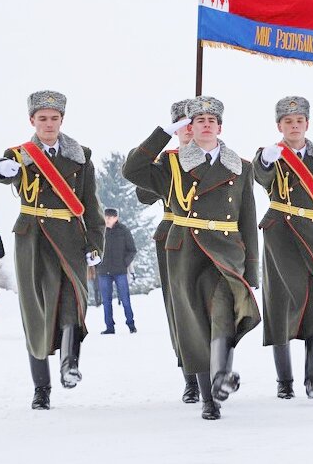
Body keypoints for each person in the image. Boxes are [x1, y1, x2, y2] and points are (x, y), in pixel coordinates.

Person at [123, 96, 260, 421]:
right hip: (185, 250)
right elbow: (133, 170)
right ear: (189, 128)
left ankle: (222, 376)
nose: (206, 124)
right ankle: (209, 400)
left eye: (212, 120)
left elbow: (247, 220)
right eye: (199, 121)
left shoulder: (241, 166)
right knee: (195, 324)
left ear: (220, 127)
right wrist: (162, 133)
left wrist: (252, 269)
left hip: (226, 251)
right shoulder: (172, 164)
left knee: (224, 313)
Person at [0, 90, 105, 411]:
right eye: (43, 119)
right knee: (37, 312)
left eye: (54, 118)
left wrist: (96, 243)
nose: (49, 124)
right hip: (34, 239)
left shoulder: (80, 156)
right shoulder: (20, 154)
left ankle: (70, 364)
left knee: (73, 301)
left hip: (70, 238)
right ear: (32, 121)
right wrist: (3, 169)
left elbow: (91, 206)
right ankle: (41, 389)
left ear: (62, 120)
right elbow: (1, 171)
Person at [253, 96, 313, 399]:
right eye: (288, 122)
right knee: (280, 303)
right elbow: (260, 176)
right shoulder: (270, 155)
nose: (294, 126)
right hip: (281, 233)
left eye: (299, 121)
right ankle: (285, 382)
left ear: (307, 123)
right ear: (279, 126)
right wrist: (266, 160)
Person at [135, 98, 201, 403]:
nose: (189, 130)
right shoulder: (166, 162)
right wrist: (162, 160)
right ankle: (190, 376)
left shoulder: (218, 158)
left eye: (194, 123)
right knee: (180, 310)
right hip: (174, 238)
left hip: (212, 239)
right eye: (182, 126)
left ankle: (217, 368)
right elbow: (142, 194)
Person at [98, 207, 138, 334]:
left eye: (110, 217)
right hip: (103, 271)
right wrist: (97, 264)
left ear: (116, 218)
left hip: (120, 271)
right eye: (106, 217)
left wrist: (124, 263)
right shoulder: (100, 231)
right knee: (106, 301)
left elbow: (132, 250)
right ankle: (109, 327)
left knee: (125, 299)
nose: (107, 220)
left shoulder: (124, 231)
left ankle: (131, 324)